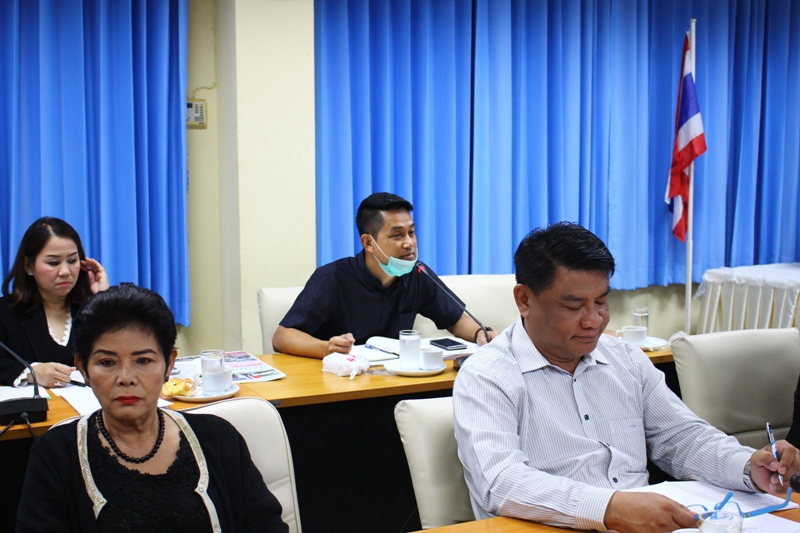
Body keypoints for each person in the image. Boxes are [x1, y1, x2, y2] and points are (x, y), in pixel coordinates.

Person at [453, 222, 800, 533]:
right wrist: (609, 509)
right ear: (524, 300)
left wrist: (746, 466)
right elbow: (501, 482)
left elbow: (682, 437)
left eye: (602, 302)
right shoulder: (488, 375)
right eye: (574, 306)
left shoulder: (625, 359)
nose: (593, 321)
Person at [15, 284, 288, 532]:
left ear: (169, 364)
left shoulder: (218, 439)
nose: (126, 378)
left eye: (143, 361)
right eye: (107, 363)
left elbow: (266, 525)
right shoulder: (56, 454)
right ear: (83, 368)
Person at [272, 192, 498, 358]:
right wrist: (325, 348)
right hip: (340, 383)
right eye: (397, 235)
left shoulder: (418, 273)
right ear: (368, 243)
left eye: (411, 232)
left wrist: (480, 333)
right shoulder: (333, 278)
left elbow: (456, 320)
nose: (409, 243)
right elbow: (283, 336)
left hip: (392, 380)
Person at [0, 217, 108, 387]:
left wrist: (102, 299)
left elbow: (121, 355)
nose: (65, 271)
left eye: (72, 261)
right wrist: (30, 372)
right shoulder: (6, 313)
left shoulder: (92, 308)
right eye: (53, 263)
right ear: (28, 266)